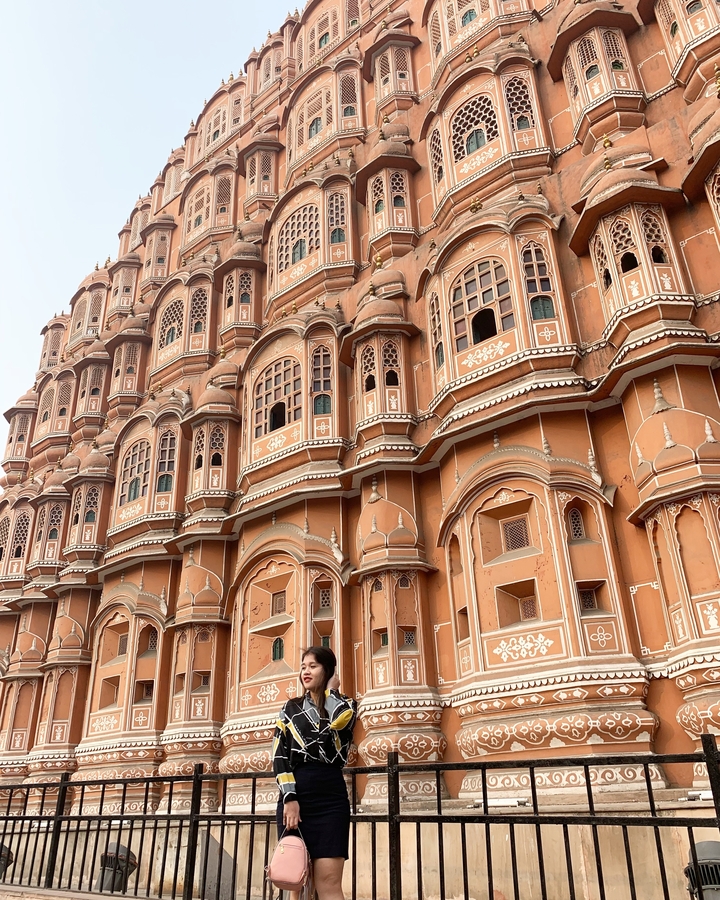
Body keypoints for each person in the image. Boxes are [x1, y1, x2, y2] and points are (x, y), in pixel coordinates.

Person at [272, 646, 357, 900]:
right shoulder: (290, 709)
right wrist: (289, 798)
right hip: (297, 794)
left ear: (328, 671)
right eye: (303, 666)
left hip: (331, 799)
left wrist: (331, 690)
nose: (305, 671)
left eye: (313, 666)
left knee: (329, 882)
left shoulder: (346, 706)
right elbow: (279, 756)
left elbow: (336, 726)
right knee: (294, 880)